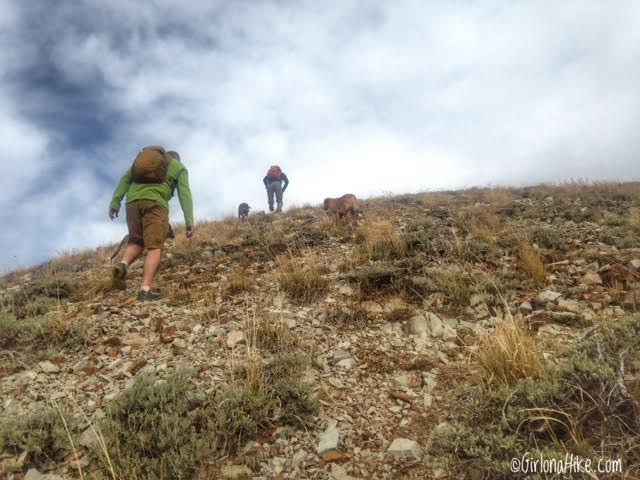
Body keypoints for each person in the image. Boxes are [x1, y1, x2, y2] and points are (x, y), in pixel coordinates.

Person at [109, 147, 194, 300]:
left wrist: (115, 202)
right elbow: (184, 194)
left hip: (132, 203)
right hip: (155, 204)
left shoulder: (142, 163)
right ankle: (145, 290)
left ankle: (123, 264)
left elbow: (125, 179)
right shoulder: (179, 167)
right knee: (155, 246)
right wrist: (189, 221)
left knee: (136, 241)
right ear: (177, 159)